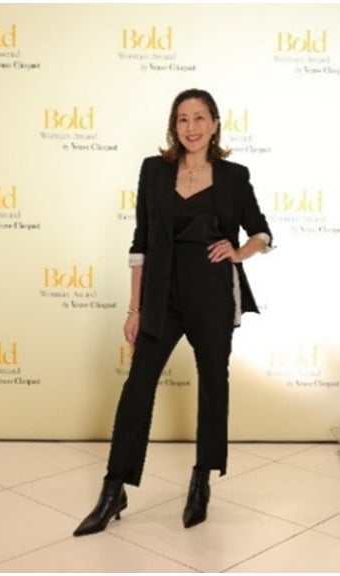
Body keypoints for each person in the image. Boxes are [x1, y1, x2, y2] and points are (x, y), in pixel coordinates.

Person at [74, 88, 273, 537]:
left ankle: (202, 479)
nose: (191, 127)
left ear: (215, 124)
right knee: (138, 386)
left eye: (200, 118)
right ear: (174, 126)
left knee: (213, 385)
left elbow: (262, 231)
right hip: (161, 295)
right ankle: (113, 489)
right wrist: (135, 308)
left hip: (212, 292)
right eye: (183, 119)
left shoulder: (234, 176)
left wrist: (239, 252)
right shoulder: (154, 170)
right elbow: (141, 242)